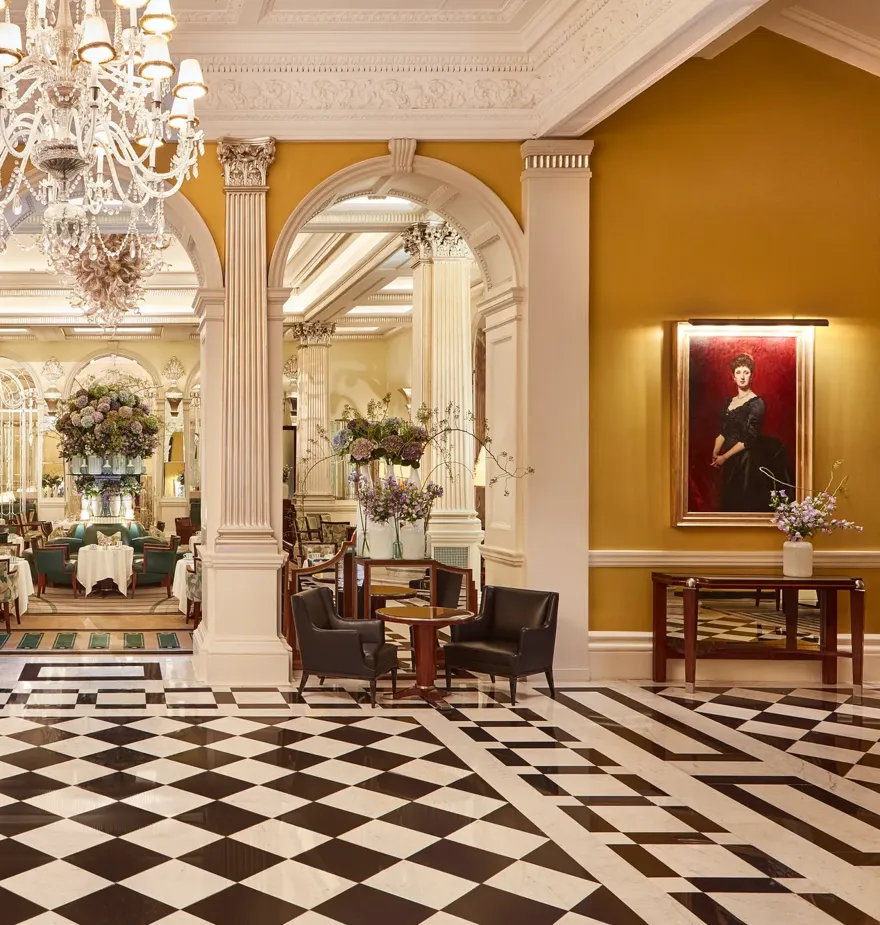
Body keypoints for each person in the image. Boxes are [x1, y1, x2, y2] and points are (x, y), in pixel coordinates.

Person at [711, 353, 777, 512]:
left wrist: (724, 457)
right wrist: (715, 453)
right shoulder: (729, 402)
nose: (742, 376)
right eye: (738, 372)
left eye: (746, 372)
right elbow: (723, 432)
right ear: (733, 376)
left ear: (752, 376)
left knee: (743, 501)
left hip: (746, 460)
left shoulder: (757, 403)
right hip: (727, 459)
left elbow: (749, 439)